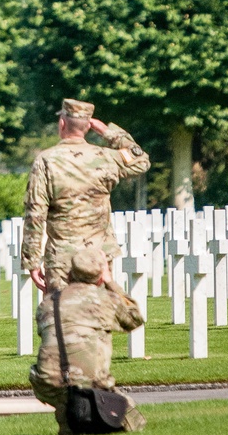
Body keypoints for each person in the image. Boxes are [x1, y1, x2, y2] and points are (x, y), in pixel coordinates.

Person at [21, 99, 149, 292]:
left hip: (62, 257)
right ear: (88, 127)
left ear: (62, 123)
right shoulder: (106, 157)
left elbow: (35, 213)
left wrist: (31, 261)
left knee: (62, 316)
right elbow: (141, 161)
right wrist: (108, 132)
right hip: (98, 256)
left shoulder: (46, 161)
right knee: (98, 315)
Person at [30, 244, 147, 435]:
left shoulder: (49, 302)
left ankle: (70, 427)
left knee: (69, 406)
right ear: (101, 275)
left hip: (46, 381)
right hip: (89, 382)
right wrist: (110, 282)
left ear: (71, 273)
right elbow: (135, 319)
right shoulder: (105, 299)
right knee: (133, 420)